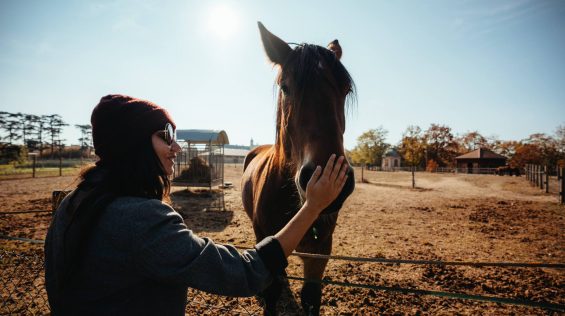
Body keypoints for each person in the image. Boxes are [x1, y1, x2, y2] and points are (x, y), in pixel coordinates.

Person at [44, 94, 349, 315]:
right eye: (166, 135)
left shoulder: (75, 203)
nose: (176, 147)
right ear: (134, 143)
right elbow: (244, 274)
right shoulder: (143, 219)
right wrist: (312, 207)